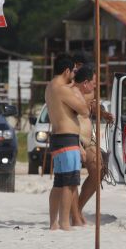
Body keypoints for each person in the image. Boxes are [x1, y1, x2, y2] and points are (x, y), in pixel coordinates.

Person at [45, 53, 90, 231]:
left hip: (58, 138)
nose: (74, 75)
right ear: (66, 71)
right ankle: (64, 222)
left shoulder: (50, 87)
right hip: (67, 139)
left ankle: (53, 222)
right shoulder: (63, 89)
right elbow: (84, 110)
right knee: (69, 183)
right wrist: (76, 91)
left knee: (59, 182)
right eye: (73, 71)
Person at [74, 65, 114, 222]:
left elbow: (94, 107)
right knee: (71, 178)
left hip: (89, 138)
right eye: (94, 81)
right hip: (73, 137)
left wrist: (103, 114)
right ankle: (73, 212)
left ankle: (77, 208)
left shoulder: (90, 92)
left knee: (99, 170)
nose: (97, 84)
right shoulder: (70, 92)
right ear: (85, 80)